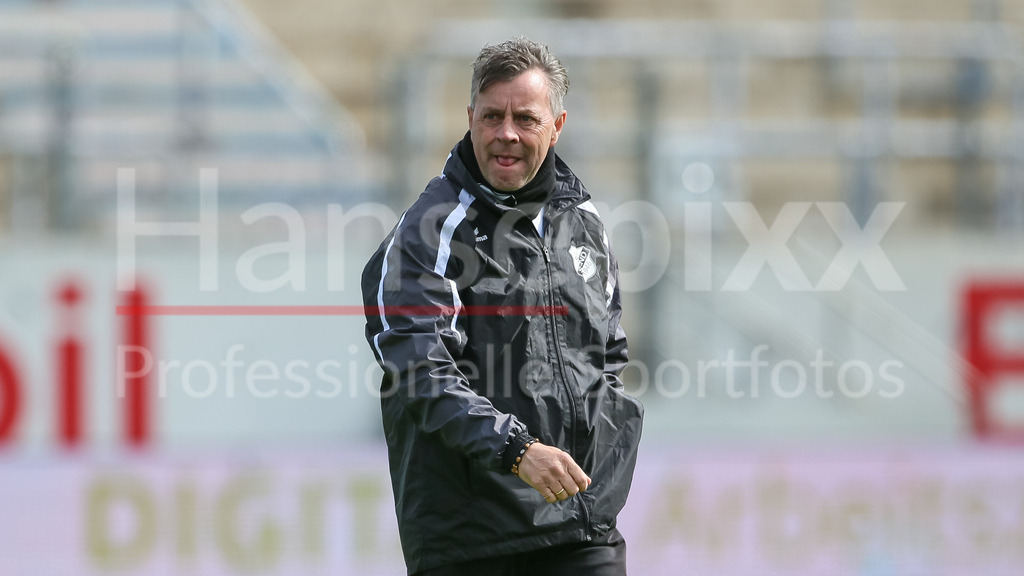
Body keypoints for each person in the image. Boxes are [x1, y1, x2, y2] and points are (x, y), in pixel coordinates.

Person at [361, 37, 643, 576]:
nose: (505, 134)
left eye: (525, 118)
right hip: (471, 540)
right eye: (491, 116)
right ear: (470, 119)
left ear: (557, 125)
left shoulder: (584, 224)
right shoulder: (428, 232)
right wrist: (516, 449)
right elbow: (420, 371)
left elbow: (607, 355)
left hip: (582, 528)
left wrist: (604, 466)